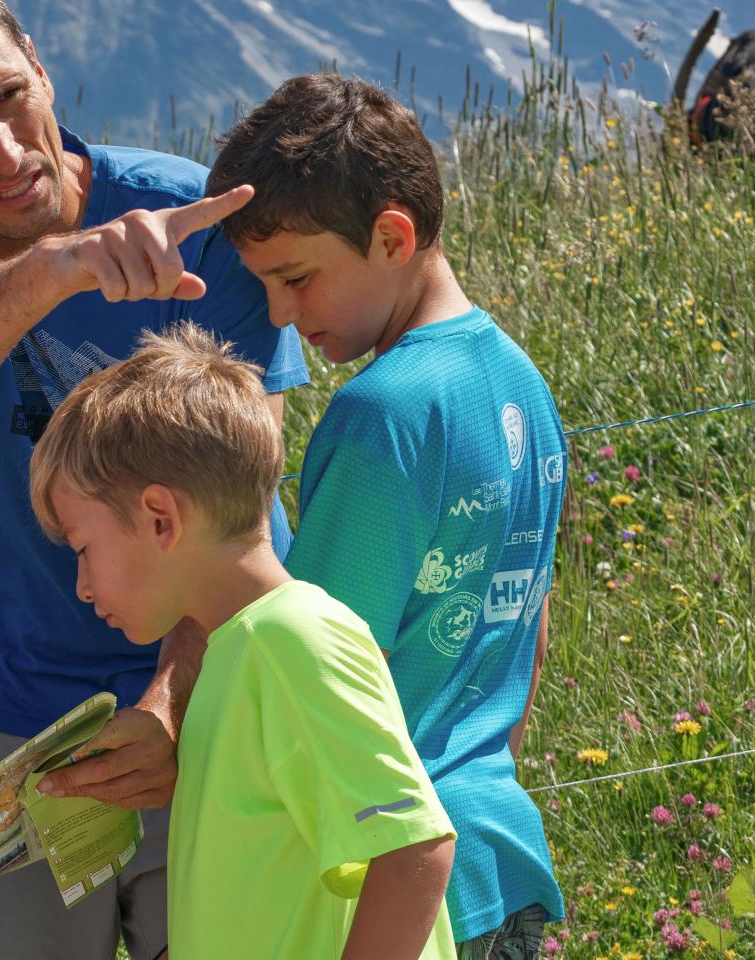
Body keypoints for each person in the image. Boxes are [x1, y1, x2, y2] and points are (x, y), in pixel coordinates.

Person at [0, 2, 307, 955]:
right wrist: (61, 268)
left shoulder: (190, 218)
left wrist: (173, 703)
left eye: (7, 97)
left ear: (39, 67)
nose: (2, 152)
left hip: (214, 683)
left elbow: (242, 508)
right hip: (0, 711)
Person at [207, 74, 567, 955]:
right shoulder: (521, 381)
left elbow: (317, 666)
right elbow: (529, 624)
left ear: (392, 236)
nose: (280, 315)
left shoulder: (382, 415)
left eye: (296, 278)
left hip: (399, 889)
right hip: (501, 853)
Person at [28, 324, 456, 960]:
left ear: (160, 519)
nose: (83, 585)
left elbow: (414, 849)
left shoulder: (292, 641)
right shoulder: (235, 652)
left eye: (83, 548)